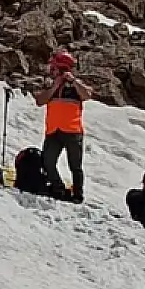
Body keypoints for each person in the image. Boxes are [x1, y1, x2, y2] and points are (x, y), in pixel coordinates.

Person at [33, 50, 94, 202]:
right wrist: (55, 87)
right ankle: (58, 188)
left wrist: (73, 81)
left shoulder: (75, 86)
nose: (51, 70)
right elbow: (40, 101)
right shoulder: (51, 85)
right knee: (48, 161)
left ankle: (78, 194)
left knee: (75, 166)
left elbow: (87, 95)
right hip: (54, 131)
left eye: (54, 68)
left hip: (72, 132)